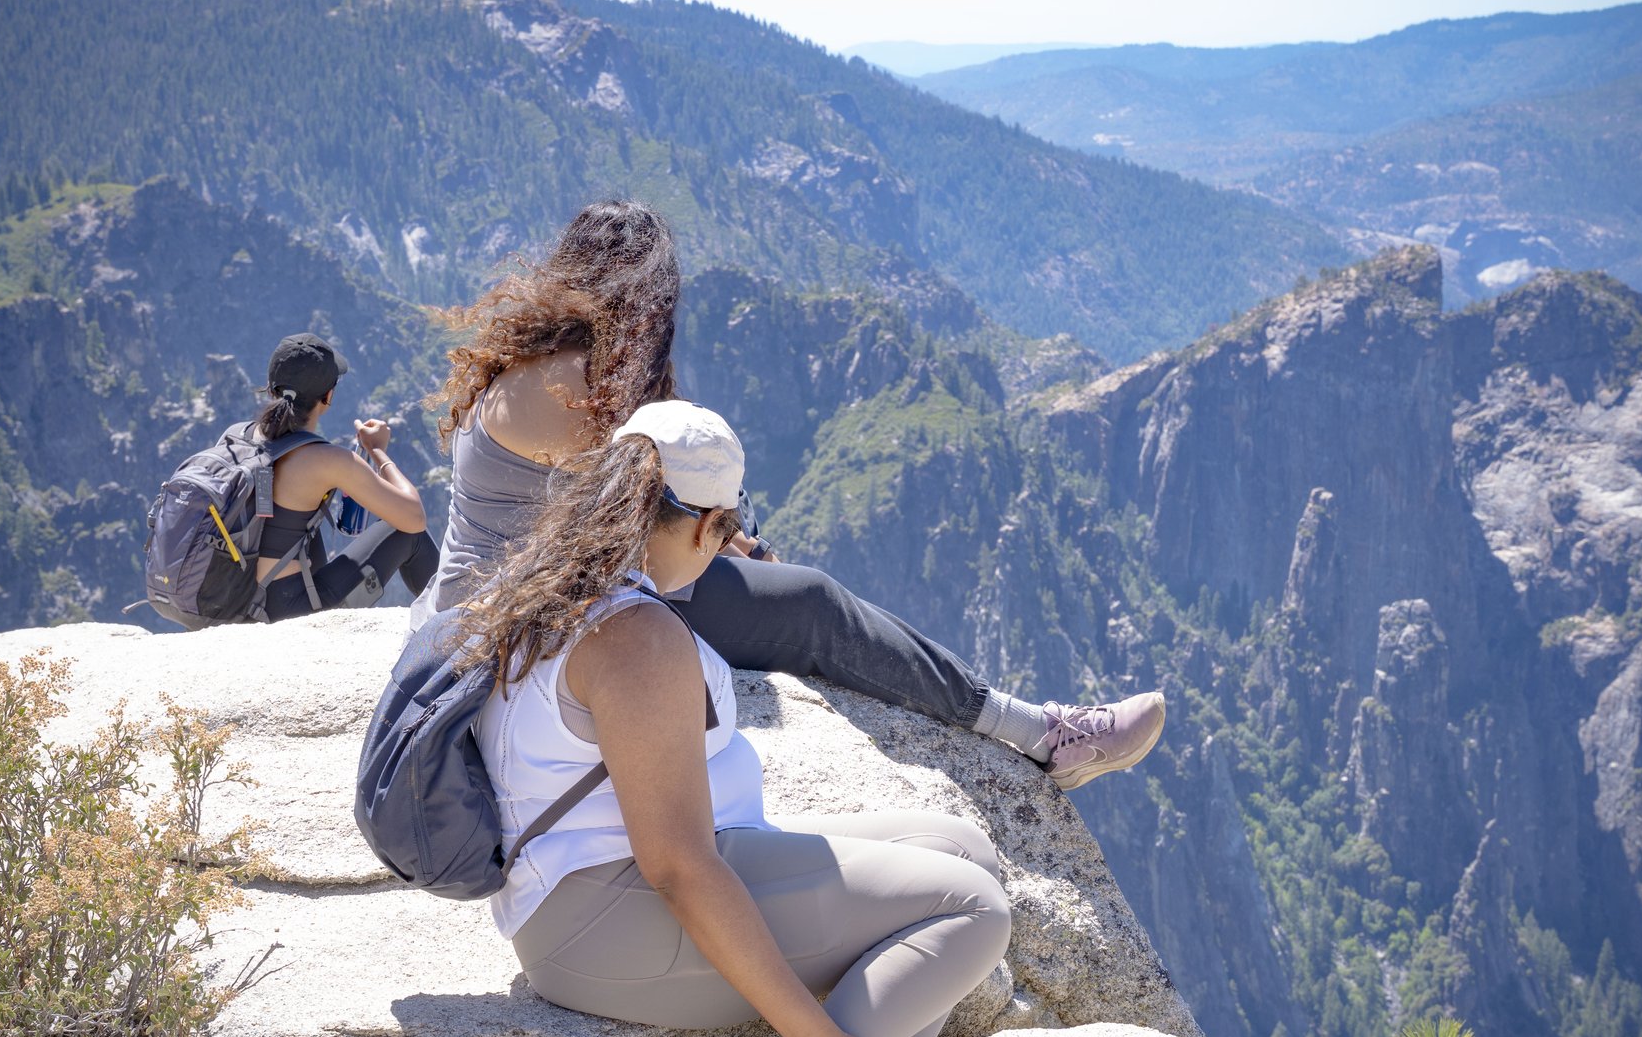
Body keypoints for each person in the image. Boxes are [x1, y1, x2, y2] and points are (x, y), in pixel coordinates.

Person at [458, 400, 1027, 1037]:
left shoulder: (558, 582)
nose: (729, 551)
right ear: (707, 523)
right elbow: (679, 867)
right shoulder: (636, 637)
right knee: (975, 910)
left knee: (959, 847)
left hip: (591, 902)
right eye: (727, 533)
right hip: (610, 924)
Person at [427, 200, 1165, 790]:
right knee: (811, 608)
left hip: (526, 593)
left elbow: (649, 503)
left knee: (787, 591)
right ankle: (1044, 735)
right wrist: (732, 548)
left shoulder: (544, 365)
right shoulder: (571, 389)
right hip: (523, 622)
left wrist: (730, 540)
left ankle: (1038, 727)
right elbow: (636, 509)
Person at [251, 332, 440, 618]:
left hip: (240, 599)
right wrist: (377, 451)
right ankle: (463, 629)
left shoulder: (237, 438)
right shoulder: (327, 460)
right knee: (406, 533)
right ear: (328, 397)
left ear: (271, 389)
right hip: (287, 611)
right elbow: (414, 519)